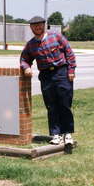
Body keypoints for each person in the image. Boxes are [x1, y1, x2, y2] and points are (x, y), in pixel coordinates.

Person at [20, 16, 76, 145]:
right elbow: (24, 59)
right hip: (46, 76)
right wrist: (26, 68)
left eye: (39, 25)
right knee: (51, 106)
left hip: (62, 73)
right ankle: (55, 135)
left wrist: (71, 70)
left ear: (44, 25)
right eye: (34, 26)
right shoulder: (31, 44)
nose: (37, 27)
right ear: (31, 28)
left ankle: (67, 134)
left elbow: (69, 53)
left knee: (64, 104)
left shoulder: (56, 37)